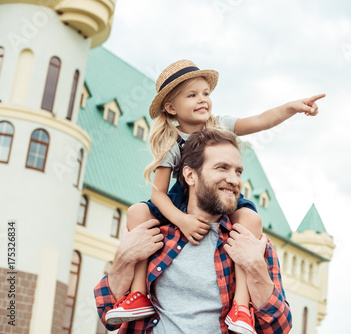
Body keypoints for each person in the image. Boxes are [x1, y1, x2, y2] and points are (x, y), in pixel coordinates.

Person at [103, 59, 324, 333]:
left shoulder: (220, 126)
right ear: (171, 107)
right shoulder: (172, 147)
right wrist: (180, 221)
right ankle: (137, 295)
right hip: (178, 205)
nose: (203, 100)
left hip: (214, 215)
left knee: (251, 219)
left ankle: (241, 307)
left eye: (206, 93)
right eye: (192, 95)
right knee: (136, 212)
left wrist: (292, 107)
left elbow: (260, 120)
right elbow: (157, 193)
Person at [94, 129, 292, 333]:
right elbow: (107, 314)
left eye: (238, 171)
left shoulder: (249, 240)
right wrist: (123, 259)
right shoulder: (151, 233)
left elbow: (278, 329)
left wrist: (255, 267)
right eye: (222, 168)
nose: (234, 180)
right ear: (190, 175)